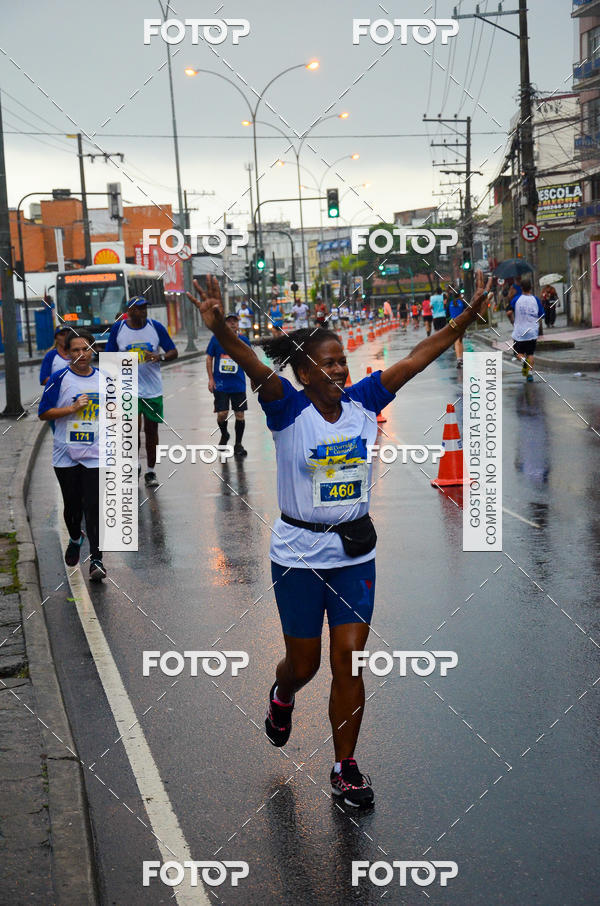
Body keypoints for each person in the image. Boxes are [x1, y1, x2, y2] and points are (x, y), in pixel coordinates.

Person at [187, 270, 492, 808]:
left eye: (340, 361)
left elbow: (418, 357)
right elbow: (256, 365)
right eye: (326, 363)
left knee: (349, 659)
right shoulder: (286, 406)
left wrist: (462, 320)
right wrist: (221, 332)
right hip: (297, 555)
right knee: (303, 665)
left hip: (353, 553)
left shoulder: (364, 400)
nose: (337, 369)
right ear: (304, 370)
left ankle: (344, 767)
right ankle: (283, 697)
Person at [38, 329, 106, 582]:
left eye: (85, 349)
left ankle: (97, 559)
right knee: (72, 507)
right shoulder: (58, 378)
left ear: (93, 350)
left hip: (95, 453)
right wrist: (72, 408)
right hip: (65, 454)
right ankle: (76, 537)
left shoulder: (105, 379)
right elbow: (43, 413)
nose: (81, 354)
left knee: (93, 506)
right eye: (75, 350)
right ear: (67, 354)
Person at [105, 296, 178, 487]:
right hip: (128, 388)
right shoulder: (118, 329)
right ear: (129, 310)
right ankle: (134, 464)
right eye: (138, 308)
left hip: (153, 389)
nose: (143, 311)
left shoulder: (156, 327)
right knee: (132, 430)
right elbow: (108, 357)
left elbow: (173, 352)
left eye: (145, 307)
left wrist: (159, 356)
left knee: (151, 431)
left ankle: (151, 471)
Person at [206, 313, 251, 456]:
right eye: (229, 322)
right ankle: (224, 434)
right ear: (225, 324)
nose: (232, 324)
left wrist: (254, 378)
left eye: (235, 321)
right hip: (220, 384)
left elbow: (250, 360)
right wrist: (211, 379)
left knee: (240, 415)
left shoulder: (243, 340)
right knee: (222, 414)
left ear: (238, 324)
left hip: (238, 384)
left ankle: (238, 444)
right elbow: (209, 359)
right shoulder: (216, 339)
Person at [507, 276, 544, 381]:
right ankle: (529, 373)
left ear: (521, 287)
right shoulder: (535, 300)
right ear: (531, 287)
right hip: (532, 332)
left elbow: (509, 312)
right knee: (530, 353)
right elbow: (541, 315)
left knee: (518, 353)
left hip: (519, 332)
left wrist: (512, 321)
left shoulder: (516, 299)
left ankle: (524, 362)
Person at [448, 291, 466, 368]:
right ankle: (460, 359)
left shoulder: (450, 303)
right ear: (459, 295)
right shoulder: (462, 302)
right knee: (460, 340)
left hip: (452, 322)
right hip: (461, 321)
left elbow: (447, 314)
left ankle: (459, 359)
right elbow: (466, 312)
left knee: (457, 341)